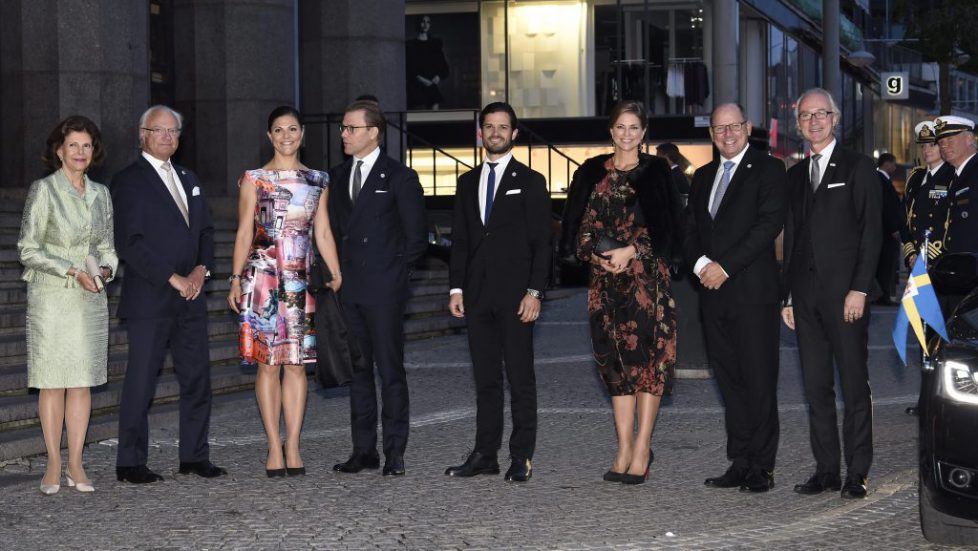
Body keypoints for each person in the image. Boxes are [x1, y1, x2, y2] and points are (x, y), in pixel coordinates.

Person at [562, 100, 682, 485]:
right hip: (605, 286)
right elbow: (576, 228)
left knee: (649, 367)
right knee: (615, 368)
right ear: (610, 130)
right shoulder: (591, 172)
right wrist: (596, 257)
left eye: (634, 128)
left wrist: (632, 251)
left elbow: (671, 229)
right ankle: (622, 448)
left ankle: (642, 446)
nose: (627, 134)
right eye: (620, 127)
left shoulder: (658, 171)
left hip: (649, 282)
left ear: (644, 133)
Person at [111, 105, 225, 483]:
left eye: (173, 131)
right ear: (142, 134)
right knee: (141, 381)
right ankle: (130, 462)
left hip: (191, 297)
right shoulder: (127, 181)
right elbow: (129, 241)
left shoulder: (189, 177)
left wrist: (199, 270)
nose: (166, 137)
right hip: (150, 297)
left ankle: (193, 456)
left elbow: (206, 232)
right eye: (158, 130)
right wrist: (172, 277)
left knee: (197, 379)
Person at [227, 106, 342, 477]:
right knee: (267, 366)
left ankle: (293, 444)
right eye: (278, 130)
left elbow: (322, 231)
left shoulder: (318, 179)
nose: (286, 136)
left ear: (302, 133)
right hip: (261, 280)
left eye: (292, 129)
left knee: (296, 367)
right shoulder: (253, 179)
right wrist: (234, 277)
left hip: (300, 280)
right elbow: (245, 230)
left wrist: (336, 272)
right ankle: (272, 446)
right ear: (269, 136)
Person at [781, 88, 881, 499]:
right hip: (804, 300)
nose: (814, 121)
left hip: (846, 298)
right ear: (799, 123)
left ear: (835, 118)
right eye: (806, 116)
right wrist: (787, 296)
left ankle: (857, 471)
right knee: (816, 387)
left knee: (855, 385)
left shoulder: (858, 168)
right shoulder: (793, 176)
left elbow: (872, 235)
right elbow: (792, 241)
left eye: (822, 114)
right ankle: (826, 470)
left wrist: (859, 289)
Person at [444, 102, 551, 482]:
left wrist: (535, 291)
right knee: (486, 379)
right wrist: (456, 287)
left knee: (520, 378)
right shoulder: (466, 182)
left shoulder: (532, 181)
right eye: (489, 126)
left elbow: (543, 244)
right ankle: (485, 454)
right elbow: (460, 241)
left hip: (516, 296)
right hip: (476, 296)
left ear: (514, 134)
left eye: (502, 127)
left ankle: (521, 456)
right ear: (480, 132)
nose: (495, 133)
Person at [684, 103, 787, 493]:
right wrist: (699, 266)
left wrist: (723, 267)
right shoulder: (704, 175)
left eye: (734, 126)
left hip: (751, 293)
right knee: (728, 381)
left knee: (759, 380)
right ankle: (740, 461)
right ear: (711, 134)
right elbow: (690, 228)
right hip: (712, 295)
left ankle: (762, 465)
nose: (727, 134)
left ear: (747, 127)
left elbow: (768, 226)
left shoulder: (769, 169)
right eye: (719, 128)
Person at [17, 116, 118, 495]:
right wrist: (71, 269)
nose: (80, 152)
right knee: (52, 382)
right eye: (73, 145)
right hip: (52, 296)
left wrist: (105, 270)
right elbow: (28, 248)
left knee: (81, 382)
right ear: (58, 150)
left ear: (94, 152)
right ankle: (53, 463)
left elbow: (107, 245)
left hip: (90, 296)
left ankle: (76, 461)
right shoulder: (43, 190)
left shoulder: (101, 194)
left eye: (86, 146)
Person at [328, 100, 427, 476]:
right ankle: (363, 450)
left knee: (390, 370)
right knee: (358, 372)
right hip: (348, 288)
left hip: (383, 290)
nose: (344, 134)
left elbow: (416, 239)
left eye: (351, 128)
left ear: (374, 132)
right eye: (343, 128)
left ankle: (394, 452)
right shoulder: (336, 177)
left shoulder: (399, 177)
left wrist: (394, 279)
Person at [901, 121, 953, 269]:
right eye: (923, 146)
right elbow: (903, 218)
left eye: (932, 145)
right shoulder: (915, 177)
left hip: (940, 258)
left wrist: (927, 255)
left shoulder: (952, 175)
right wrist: (911, 253)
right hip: (916, 258)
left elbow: (951, 220)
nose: (926, 150)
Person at [935, 115, 978, 257]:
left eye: (950, 139)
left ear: (969, 139)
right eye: (941, 142)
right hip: (959, 264)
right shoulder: (954, 177)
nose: (944, 145)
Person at [406, 15, 450, 110]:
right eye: (423, 22)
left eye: (428, 22)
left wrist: (438, 77)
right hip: (415, 87)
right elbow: (408, 68)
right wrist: (421, 79)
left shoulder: (435, 44)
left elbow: (444, 67)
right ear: (418, 24)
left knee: (434, 115)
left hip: (431, 86)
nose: (425, 25)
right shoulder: (411, 45)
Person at [875, 153, 901, 305]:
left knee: (887, 264)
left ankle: (883, 294)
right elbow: (886, 207)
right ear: (886, 163)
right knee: (886, 264)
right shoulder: (880, 179)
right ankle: (883, 296)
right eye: (893, 163)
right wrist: (893, 228)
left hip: (884, 231)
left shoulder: (883, 179)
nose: (895, 167)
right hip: (885, 232)